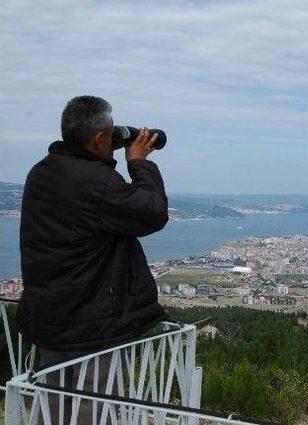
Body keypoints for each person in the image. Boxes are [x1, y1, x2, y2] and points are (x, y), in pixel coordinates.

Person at [16, 95, 169, 423]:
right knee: (92, 406)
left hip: (49, 315)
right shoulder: (96, 182)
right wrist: (139, 162)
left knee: (51, 402)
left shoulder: (40, 173)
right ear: (100, 138)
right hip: (91, 323)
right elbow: (153, 213)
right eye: (111, 133)